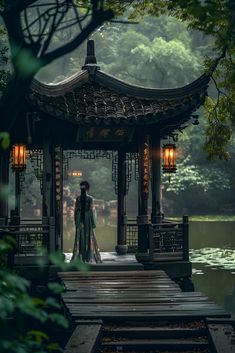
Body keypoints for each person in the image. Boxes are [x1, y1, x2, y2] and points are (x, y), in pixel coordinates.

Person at [71, 181, 101, 263]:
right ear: (88, 189)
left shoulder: (78, 199)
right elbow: (92, 211)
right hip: (88, 220)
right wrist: (93, 223)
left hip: (80, 219)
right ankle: (88, 256)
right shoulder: (90, 199)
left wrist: (76, 222)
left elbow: (76, 211)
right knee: (89, 237)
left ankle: (80, 256)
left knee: (80, 237)